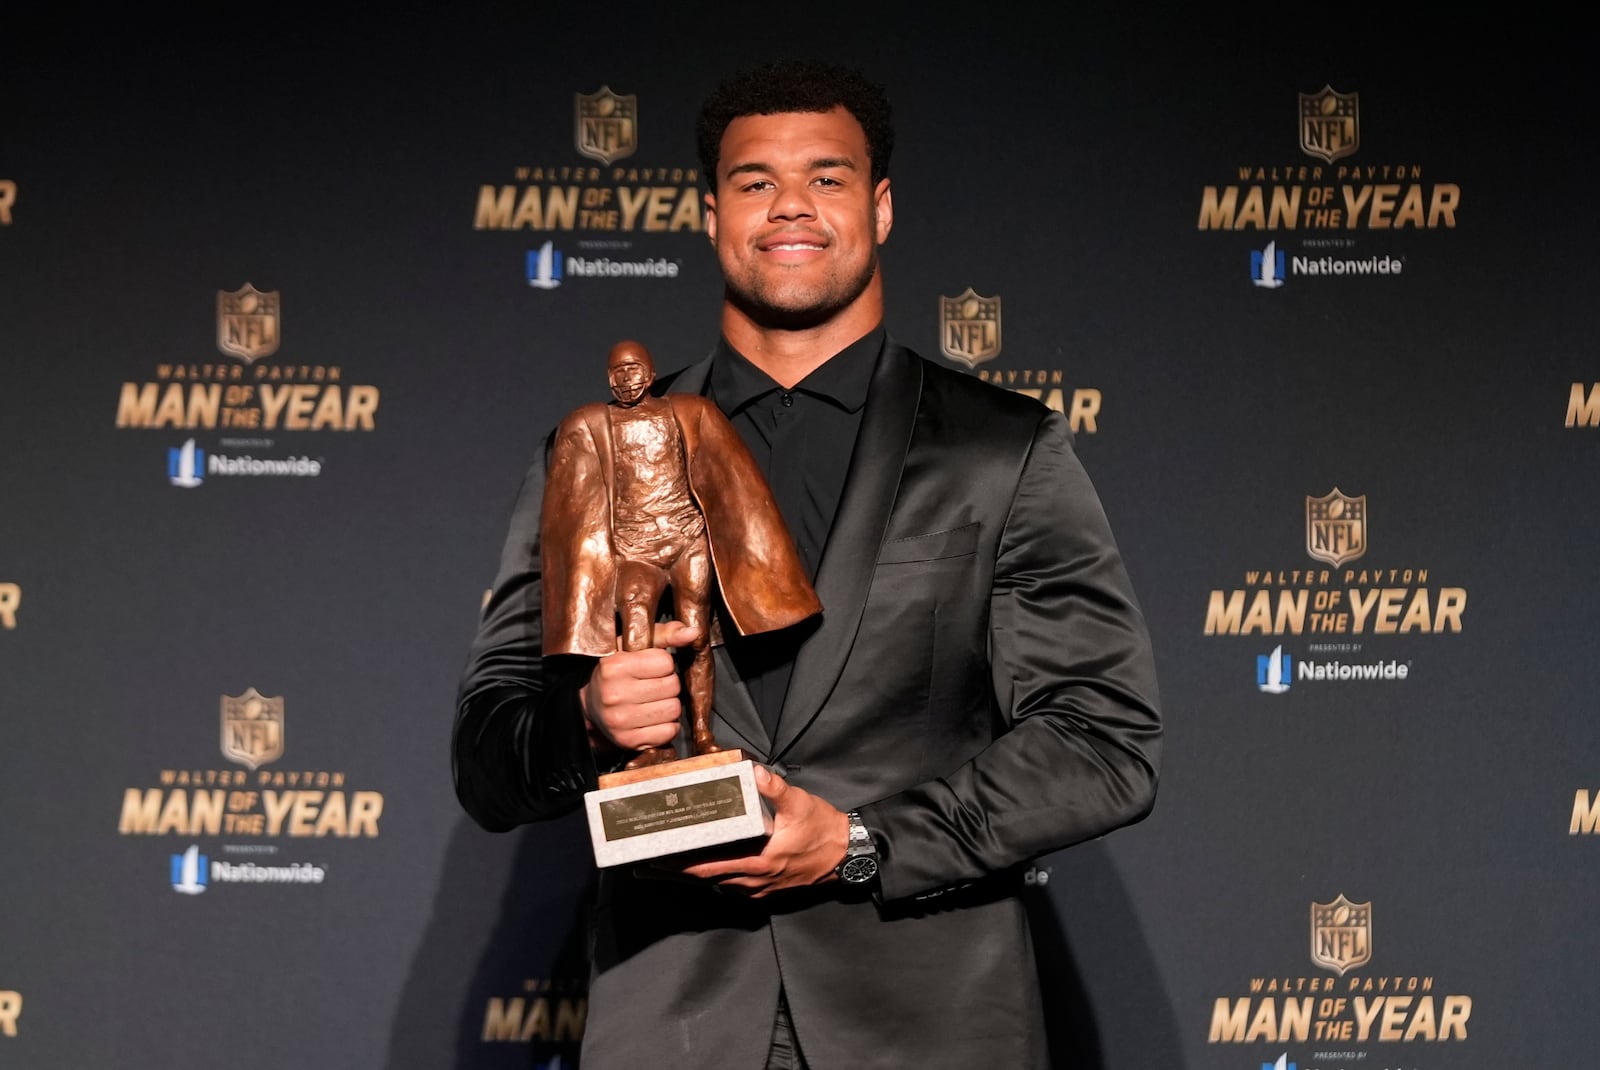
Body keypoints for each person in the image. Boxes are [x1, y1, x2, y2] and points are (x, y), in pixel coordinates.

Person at [453, 58, 1162, 1070]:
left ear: (878, 207)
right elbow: (486, 755)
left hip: (929, 1024)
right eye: (755, 182)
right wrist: (589, 721)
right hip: (672, 1018)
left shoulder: (1000, 449)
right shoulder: (597, 449)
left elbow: (1106, 741)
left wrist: (863, 839)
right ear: (709, 214)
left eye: (826, 177)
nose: (791, 204)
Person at [539, 338, 820, 767]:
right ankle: (652, 746)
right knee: (635, 644)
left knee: (698, 638)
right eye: (617, 372)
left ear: (651, 374)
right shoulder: (592, 424)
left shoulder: (688, 411)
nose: (626, 379)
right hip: (634, 552)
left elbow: (733, 484)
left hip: (688, 543)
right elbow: (572, 505)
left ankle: (704, 734)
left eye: (633, 369)